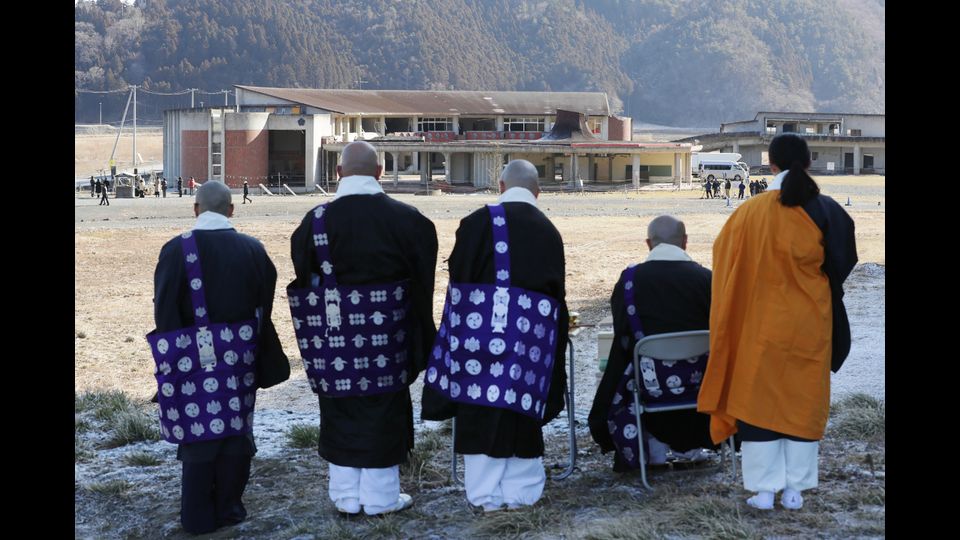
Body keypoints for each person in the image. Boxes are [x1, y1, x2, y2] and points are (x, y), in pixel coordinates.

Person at [698, 134, 857, 511]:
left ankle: (764, 492)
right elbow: (843, 260)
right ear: (808, 162)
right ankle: (795, 491)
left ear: (770, 165)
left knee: (758, 403)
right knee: (801, 402)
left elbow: (724, 262)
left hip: (759, 325)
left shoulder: (748, 213)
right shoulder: (826, 209)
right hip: (808, 324)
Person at [287, 140, 437, 516]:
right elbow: (422, 284)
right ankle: (382, 497)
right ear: (380, 173)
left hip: (334, 340)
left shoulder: (314, 222)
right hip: (390, 339)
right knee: (385, 407)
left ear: (338, 174)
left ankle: (345, 496)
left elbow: (305, 280)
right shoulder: (409, 219)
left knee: (338, 406)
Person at [421, 159, 569, 512]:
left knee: (479, 403)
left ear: (501, 187)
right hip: (531, 339)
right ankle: (523, 493)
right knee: (522, 406)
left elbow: (458, 275)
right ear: (537, 191)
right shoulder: (548, 230)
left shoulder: (475, 223)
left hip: (478, 333)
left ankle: (484, 494)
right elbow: (556, 292)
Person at [147, 180, 289, 534]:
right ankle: (230, 509)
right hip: (241, 355)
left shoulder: (175, 250)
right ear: (231, 210)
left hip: (189, 357)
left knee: (198, 433)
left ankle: (196, 516)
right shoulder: (253, 249)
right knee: (237, 428)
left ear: (195, 209)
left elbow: (164, 310)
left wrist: (174, 358)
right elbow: (264, 307)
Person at [588, 215, 717, 471]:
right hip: (701, 383)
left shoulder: (630, 280)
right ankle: (693, 445)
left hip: (650, 383)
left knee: (631, 363)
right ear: (686, 242)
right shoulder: (707, 279)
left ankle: (653, 448)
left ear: (649, 244)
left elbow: (622, 330)